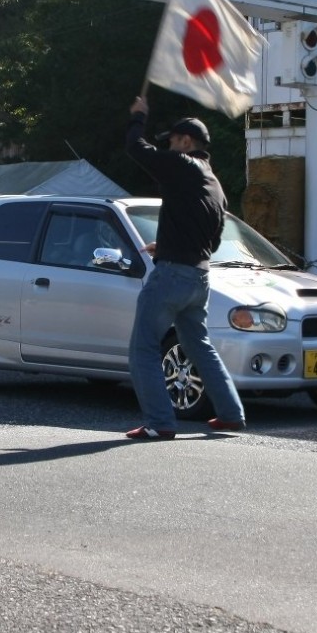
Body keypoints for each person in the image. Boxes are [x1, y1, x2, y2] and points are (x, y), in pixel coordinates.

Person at [122, 97, 247, 440]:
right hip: (199, 277)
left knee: (143, 347)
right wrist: (167, 245)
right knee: (198, 345)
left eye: (172, 142)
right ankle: (230, 413)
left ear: (186, 142)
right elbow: (212, 239)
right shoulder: (215, 186)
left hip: (172, 276)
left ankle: (159, 422)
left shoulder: (183, 164)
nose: (169, 148)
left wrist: (138, 117)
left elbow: (136, 149)